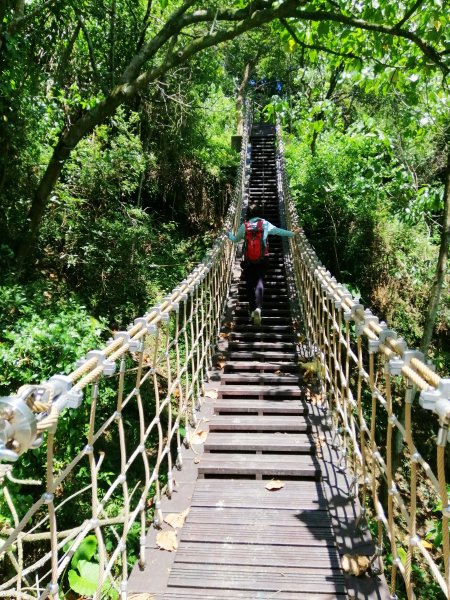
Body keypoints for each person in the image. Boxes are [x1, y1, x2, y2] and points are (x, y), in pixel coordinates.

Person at [226, 203, 301, 326]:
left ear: (248, 214)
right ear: (260, 213)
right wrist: (292, 234)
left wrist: (228, 234)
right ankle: (258, 309)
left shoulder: (245, 226)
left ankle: (252, 309)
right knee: (260, 281)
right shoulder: (265, 224)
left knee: (250, 284)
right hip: (263, 259)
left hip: (249, 260)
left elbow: (235, 240)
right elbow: (278, 231)